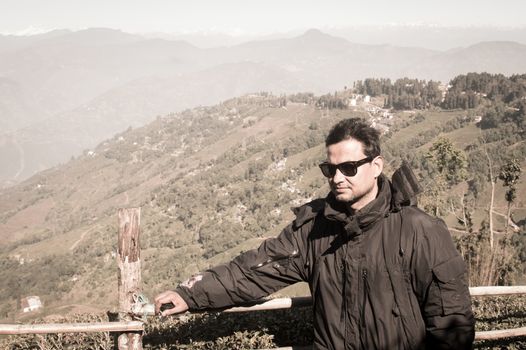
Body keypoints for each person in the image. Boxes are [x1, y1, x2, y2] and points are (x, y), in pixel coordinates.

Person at [155, 118, 475, 349]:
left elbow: (451, 319)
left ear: (376, 166)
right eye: (330, 169)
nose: (337, 177)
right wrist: (189, 294)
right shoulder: (314, 229)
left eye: (349, 168)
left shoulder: (419, 230)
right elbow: (254, 271)